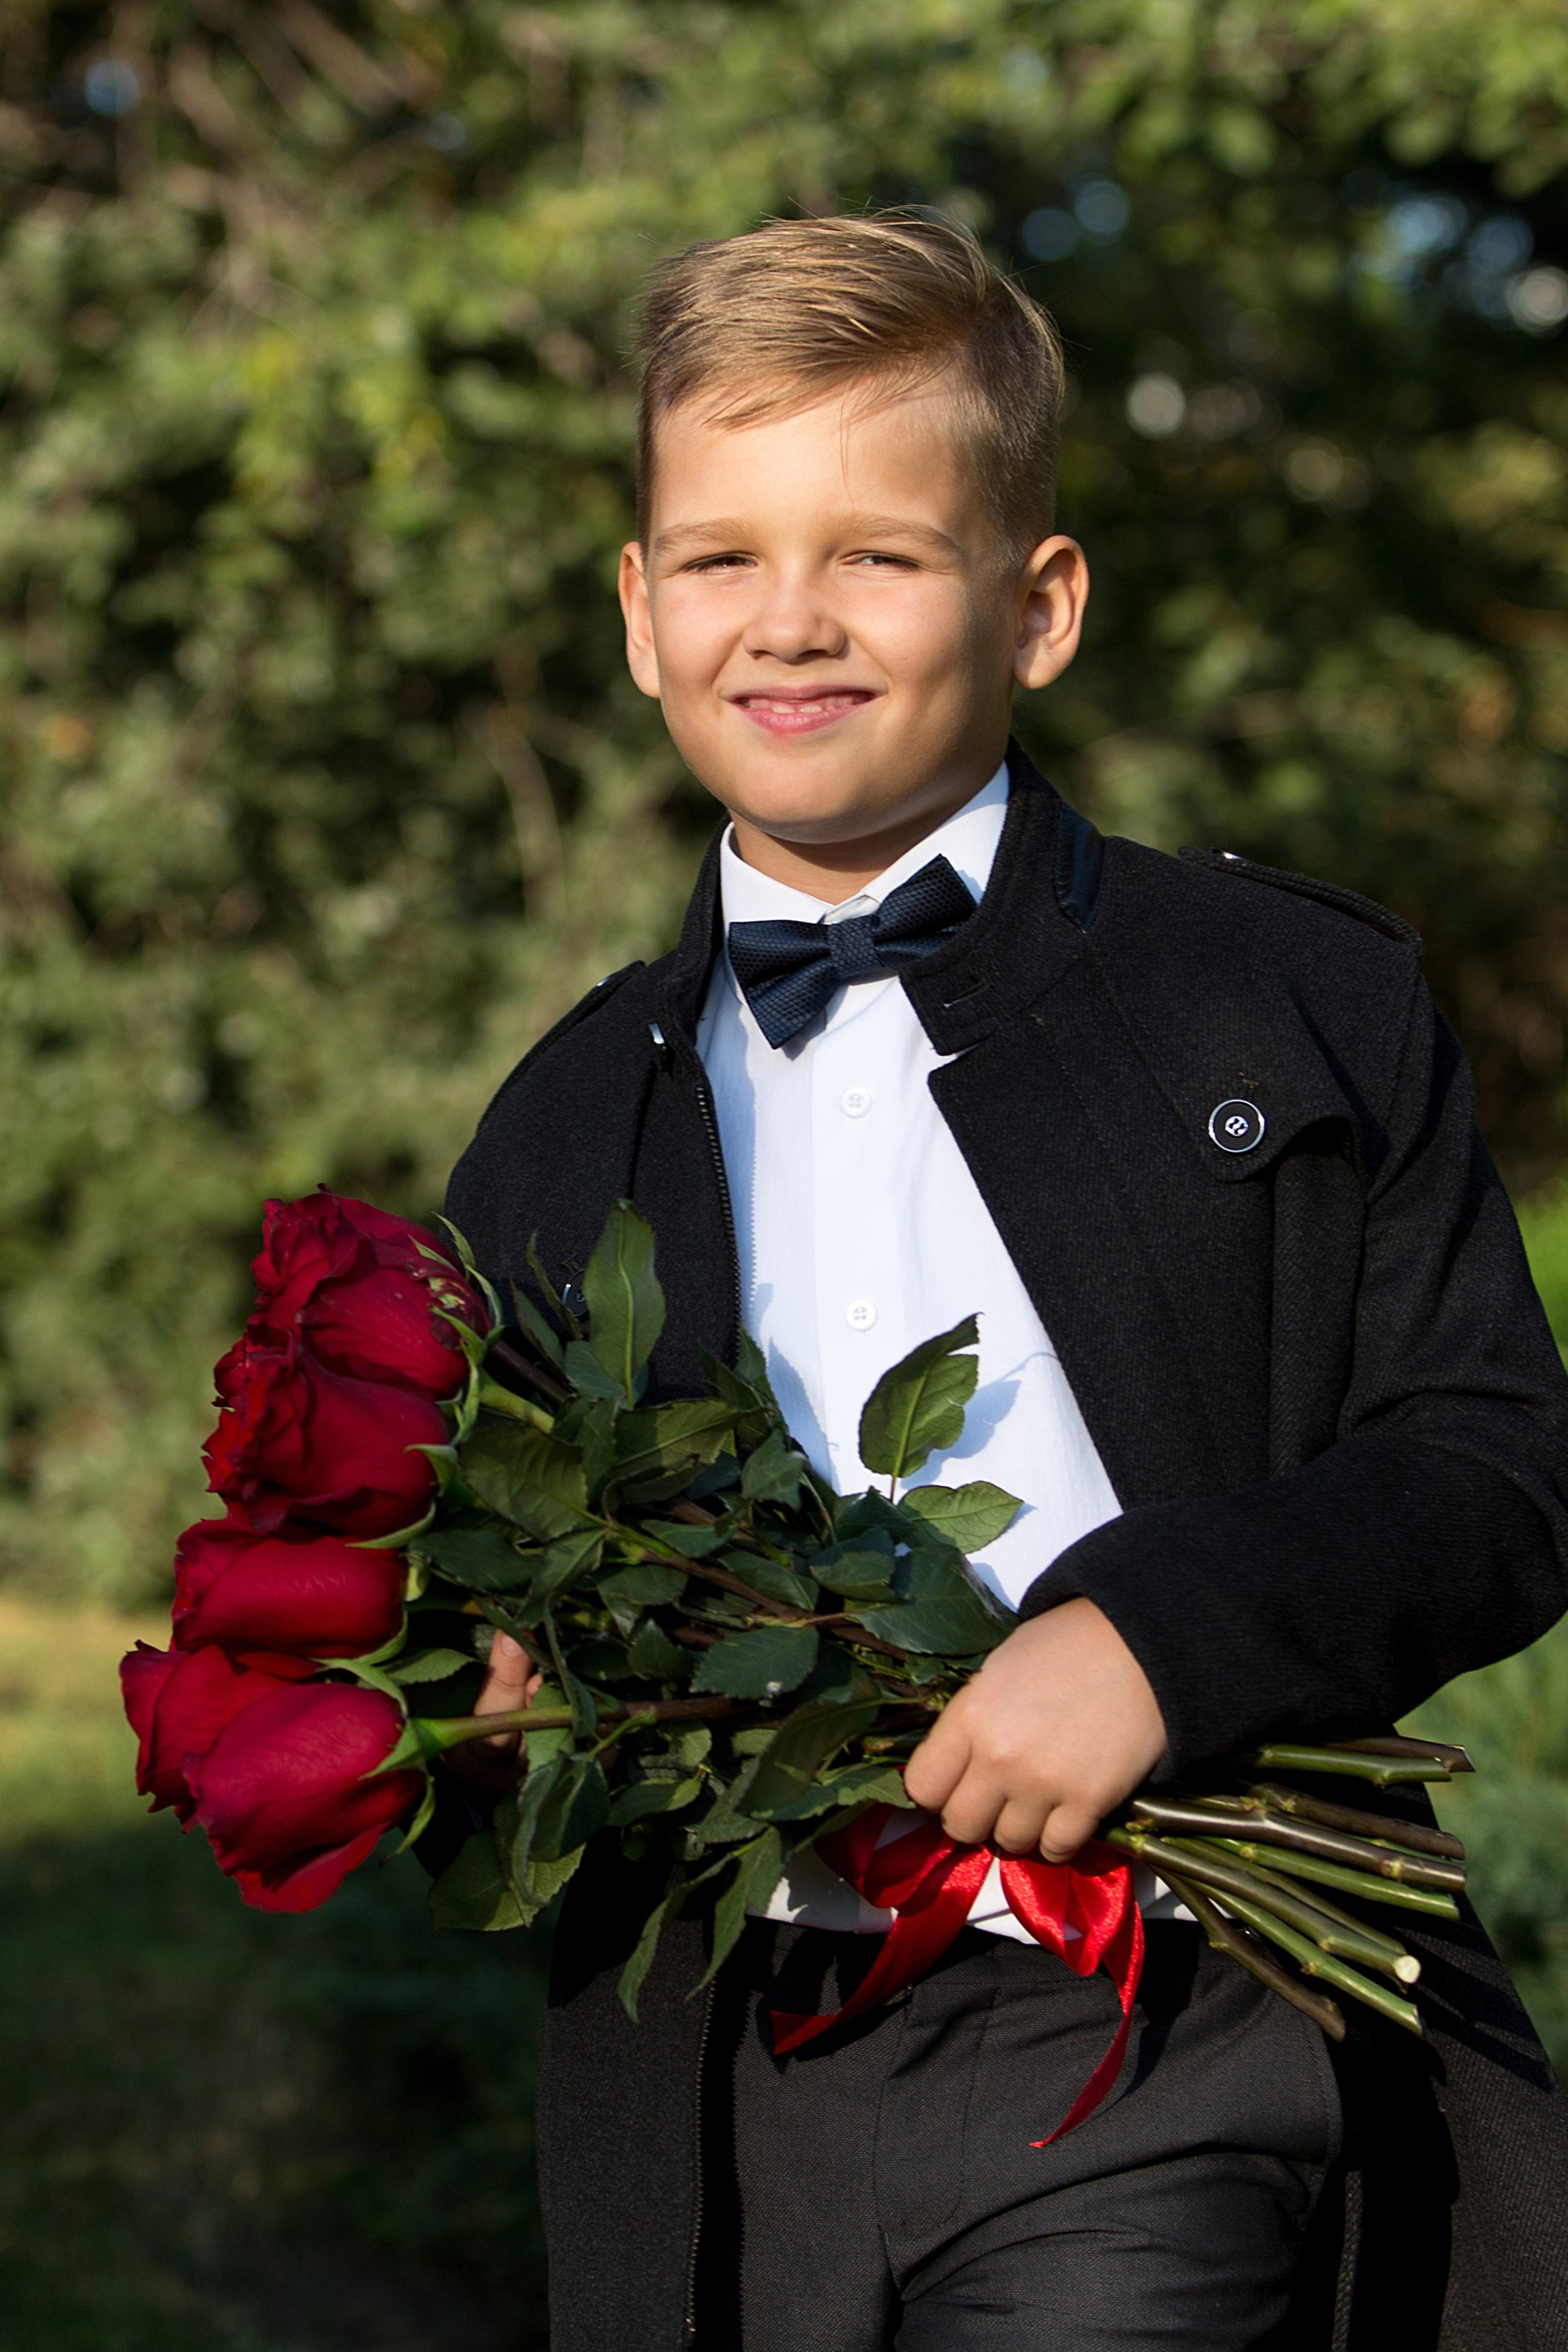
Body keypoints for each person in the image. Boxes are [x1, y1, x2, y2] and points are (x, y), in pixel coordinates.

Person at [437, 212, 1568, 2350]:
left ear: (1037, 606)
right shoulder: (562, 1124)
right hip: (718, 2080)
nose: (790, 622)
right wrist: (465, 1704)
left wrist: (1165, 1635)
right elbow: (496, 1589)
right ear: (635, 614)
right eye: (718, 557)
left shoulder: (1281, 1002)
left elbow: (1503, 1457)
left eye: (877, 553)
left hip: (1157, 2028)